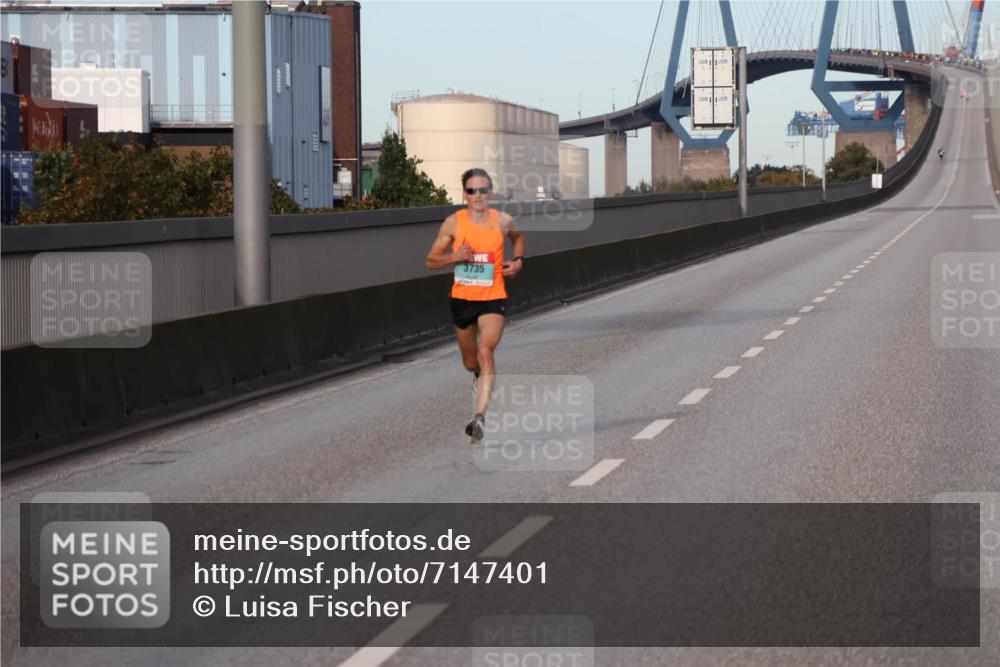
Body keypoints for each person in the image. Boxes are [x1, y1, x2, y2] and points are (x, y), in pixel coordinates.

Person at [425, 168, 525, 443]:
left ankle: (480, 416)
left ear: (490, 193)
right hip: (462, 300)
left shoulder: (503, 220)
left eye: (483, 190)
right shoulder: (453, 224)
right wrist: (454, 257)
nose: (478, 195)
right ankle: (478, 377)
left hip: (493, 297)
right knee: (471, 361)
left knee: (485, 350)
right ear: (465, 194)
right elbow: (431, 260)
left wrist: (518, 262)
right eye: (472, 191)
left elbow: (518, 239)